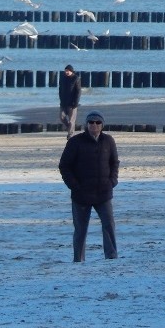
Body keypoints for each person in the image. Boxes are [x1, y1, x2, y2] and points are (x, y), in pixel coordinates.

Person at [58, 110, 120, 262]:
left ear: (102, 125)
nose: (94, 125)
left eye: (98, 122)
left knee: (109, 225)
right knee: (80, 230)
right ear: (86, 124)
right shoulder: (75, 142)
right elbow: (64, 166)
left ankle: (111, 256)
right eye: (91, 122)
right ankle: (78, 259)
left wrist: (112, 181)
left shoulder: (108, 141)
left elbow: (115, 163)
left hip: (103, 193)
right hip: (81, 195)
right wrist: (74, 186)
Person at [58, 64, 81, 139]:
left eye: (68, 71)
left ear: (71, 71)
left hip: (72, 104)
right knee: (62, 117)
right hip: (64, 103)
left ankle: (70, 135)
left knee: (71, 120)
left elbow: (78, 91)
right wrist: (60, 99)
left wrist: (76, 102)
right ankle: (70, 128)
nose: (66, 72)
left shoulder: (76, 78)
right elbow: (60, 89)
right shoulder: (63, 78)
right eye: (65, 71)